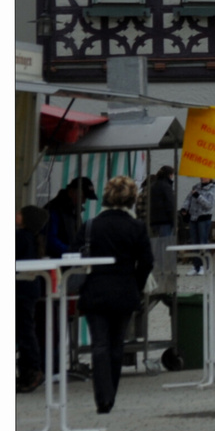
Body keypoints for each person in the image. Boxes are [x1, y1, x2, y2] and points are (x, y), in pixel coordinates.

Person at [79, 177, 153, 414]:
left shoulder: (91, 225)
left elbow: (74, 256)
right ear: (132, 200)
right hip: (124, 290)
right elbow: (147, 261)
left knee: (99, 344)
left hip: (95, 289)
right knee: (116, 344)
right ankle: (111, 392)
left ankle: (104, 397)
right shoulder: (137, 227)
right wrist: (137, 284)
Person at [16, 207, 49, 394]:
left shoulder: (21, 238)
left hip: (21, 289)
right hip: (28, 289)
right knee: (25, 330)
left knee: (24, 331)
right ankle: (29, 370)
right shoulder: (32, 239)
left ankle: (32, 370)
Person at [44, 178, 93, 258]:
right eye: (83, 197)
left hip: (68, 258)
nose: (84, 201)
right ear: (71, 192)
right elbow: (50, 239)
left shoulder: (73, 210)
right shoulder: (55, 209)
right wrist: (71, 251)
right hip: (57, 261)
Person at [184, 177, 215, 274]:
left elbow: (209, 205)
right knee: (195, 243)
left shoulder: (213, 188)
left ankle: (204, 265)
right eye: (201, 175)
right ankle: (196, 266)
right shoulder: (196, 187)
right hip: (193, 217)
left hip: (204, 218)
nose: (202, 177)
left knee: (203, 242)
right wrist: (184, 208)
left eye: (205, 176)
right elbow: (188, 199)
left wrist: (198, 196)